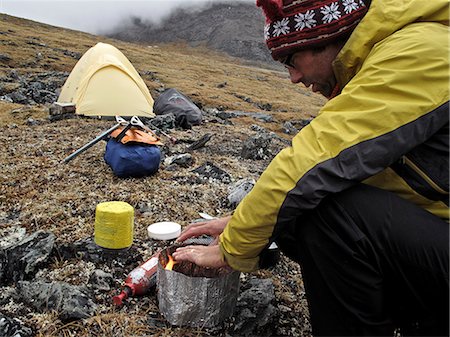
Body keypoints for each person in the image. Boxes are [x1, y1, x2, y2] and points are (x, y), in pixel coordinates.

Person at [173, 0, 449, 335]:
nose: (293, 77)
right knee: (295, 213)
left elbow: (314, 160)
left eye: (292, 59)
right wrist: (241, 222)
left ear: (329, 33)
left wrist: (234, 246)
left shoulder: (420, 51)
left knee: (330, 213)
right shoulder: (391, 50)